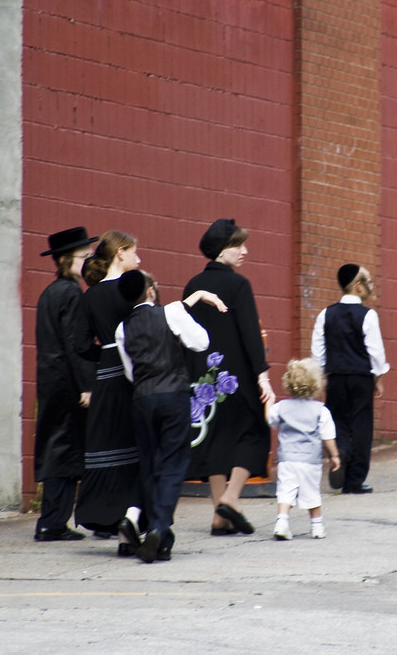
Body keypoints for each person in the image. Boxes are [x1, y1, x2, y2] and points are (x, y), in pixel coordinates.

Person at [114, 270, 227, 562]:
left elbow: (130, 372)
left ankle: (155, 531)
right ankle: (159, 527)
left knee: (150, 464)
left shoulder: (121, 329)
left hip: (142, 398)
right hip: (173, 394)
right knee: (174, 464)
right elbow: (201, 342)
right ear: (150, 291)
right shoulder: (172, 312)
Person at [183, 218, 275, 536]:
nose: (245, 251)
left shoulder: (193, 285)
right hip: (235, 377)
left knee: (215, 440)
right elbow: (250, 333)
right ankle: (231, 500)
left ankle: (218, 517)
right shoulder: (239, 285)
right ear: (223, 250)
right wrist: (262, 376)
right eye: (239, 245)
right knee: (254, 434)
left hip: (202, 380)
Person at [73, 229, 143, 550]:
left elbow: (80, 344)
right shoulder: (130, 291)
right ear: (120, 254)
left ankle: (104, 514)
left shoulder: (90, 296)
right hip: (131, 373)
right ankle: (133, 515)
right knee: (134, 444)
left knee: (107, 444)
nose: (136, 258)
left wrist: (103, 356)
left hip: (105, 377)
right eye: (133, 252)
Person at [32, 227, 98, 541]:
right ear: (63, 259)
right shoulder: (72, 293)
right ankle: (53, 523)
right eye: (83, 257)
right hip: (68, 382)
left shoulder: (50, 292)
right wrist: (87, 385)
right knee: (66, 451)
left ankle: (52, 520)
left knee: (56, 448)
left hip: (51, 379)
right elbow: (76, 344)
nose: (88, 263)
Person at [311, 264, 389, 494]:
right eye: (368, 281)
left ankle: (341, 452)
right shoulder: (368, 315)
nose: (371, 286)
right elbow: (375, 351)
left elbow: (318, 351)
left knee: (336, 422)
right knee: (362, 425)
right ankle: (354, 481)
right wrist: (378, 377)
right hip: (360, 377)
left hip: (335, 376)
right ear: (358, 286)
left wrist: (322, 374)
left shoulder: (326, 314)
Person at [267, 358, 341, 540]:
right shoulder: (320, 410)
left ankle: (281, 523)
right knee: (311, 493)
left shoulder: (281, 407)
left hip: (287, 459)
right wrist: (335, 456)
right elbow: (328, 436)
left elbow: (270, 420)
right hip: (310, 461)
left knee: (285, 492)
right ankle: (317, 527)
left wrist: (268, 402)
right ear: (317, 383)